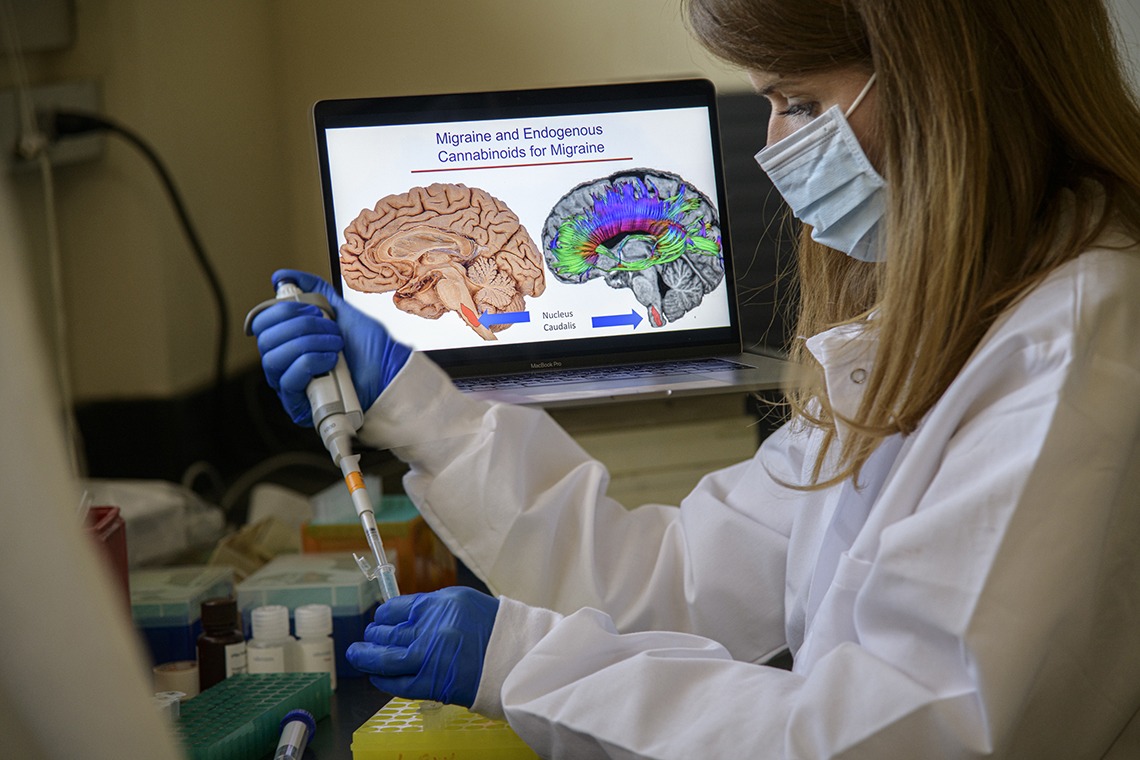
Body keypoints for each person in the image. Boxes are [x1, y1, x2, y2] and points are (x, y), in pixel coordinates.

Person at [250, 0, 1140, 756]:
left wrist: (523, 660)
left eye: (801, 101)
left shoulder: (1071, 343)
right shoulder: (945, 320)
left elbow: (894, 733)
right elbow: (676, 578)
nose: (775, 145)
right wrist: (417, 405)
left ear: (954, 82)